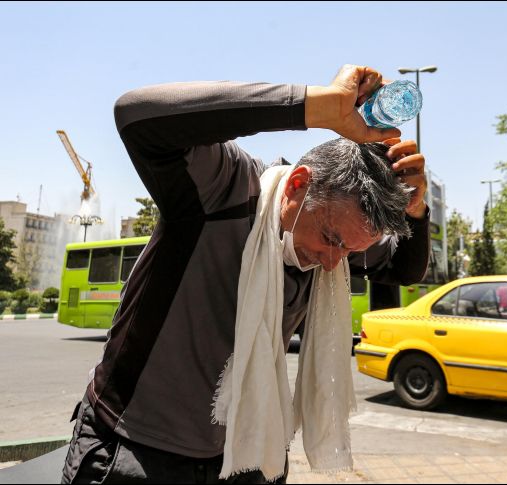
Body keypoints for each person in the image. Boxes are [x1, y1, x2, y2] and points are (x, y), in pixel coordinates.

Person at [61, 65, 431, 484]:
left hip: (252, 455)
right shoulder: (225, 188)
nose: (334, 263)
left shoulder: (337, 242)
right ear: (297, 185)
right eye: (331, 239)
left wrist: (417, 210)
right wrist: (314, 105)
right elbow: (137, 114)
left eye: (350, 250)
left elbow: (404, 267)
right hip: (135, 450)